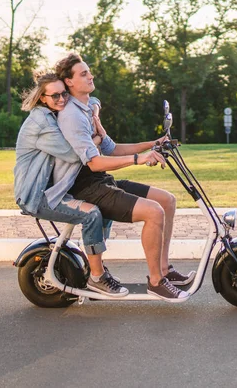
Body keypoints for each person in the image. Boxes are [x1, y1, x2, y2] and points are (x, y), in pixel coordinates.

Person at [53, 53, 193, 302]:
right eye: (83, 73)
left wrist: (155, 143)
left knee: (167, 201)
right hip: (87, 187)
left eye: (89, 71)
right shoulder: (72, 116)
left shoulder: (86, 110)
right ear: (69, 82)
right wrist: (138, 159)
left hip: (101, 181)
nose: (90, 76)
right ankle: (155, 282)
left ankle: (163, 269)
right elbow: (94, 162)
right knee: (154, 212)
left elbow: (112, 148)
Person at [14, 72, 128, 297]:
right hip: (36, 196)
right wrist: (94, 138)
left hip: (55, 190)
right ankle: (97, 277)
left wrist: (93, 113)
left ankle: (97, 265)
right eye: (54, 95)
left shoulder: (56, 111)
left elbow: (92, 100)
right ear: (42, 98)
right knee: (92, 214)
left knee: (105, 204)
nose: (61, 99)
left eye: (63, 93)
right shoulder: (41, 123)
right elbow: (73, 154)